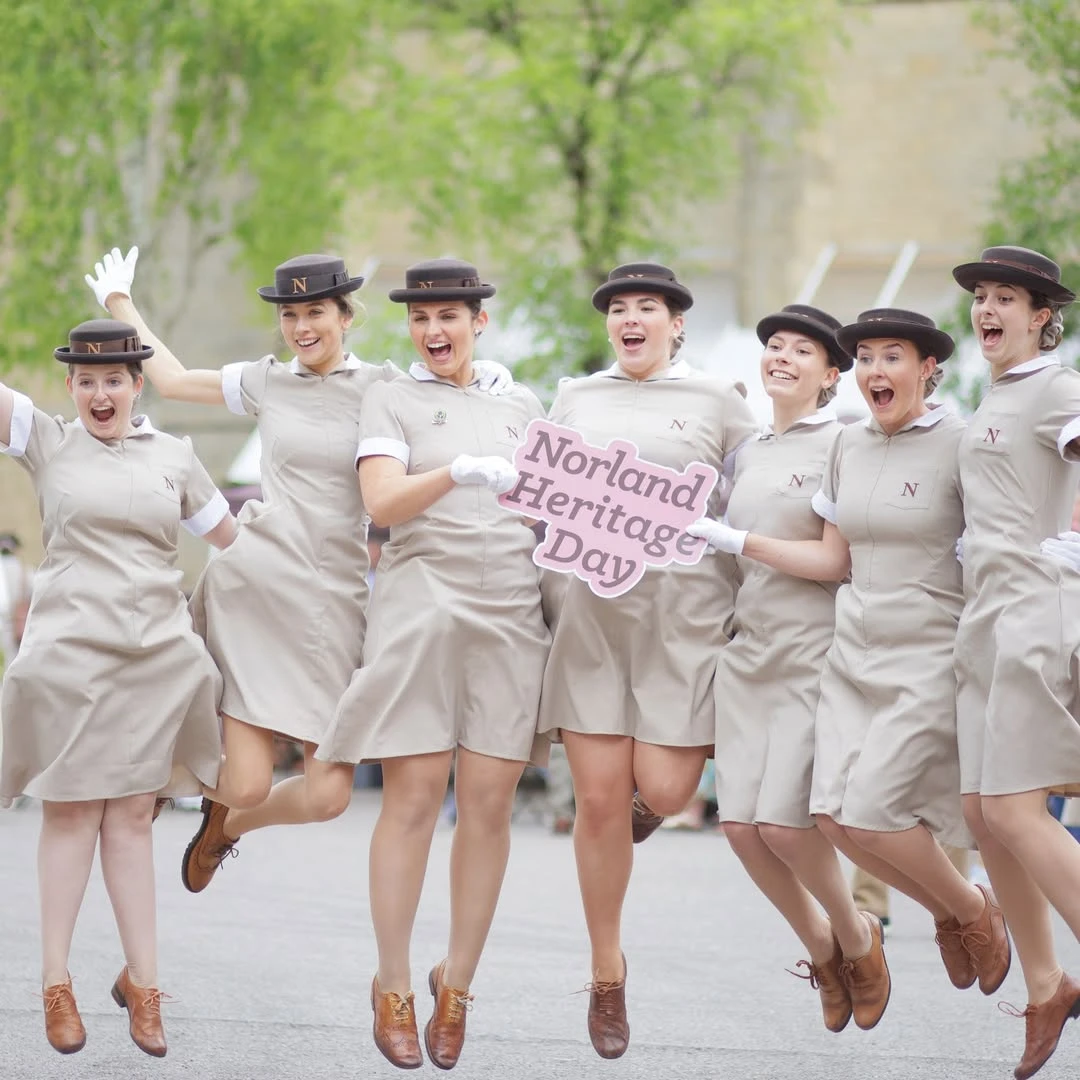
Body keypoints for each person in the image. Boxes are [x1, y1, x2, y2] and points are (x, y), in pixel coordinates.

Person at [85, 247, 513, 894]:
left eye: (316, 311)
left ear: (346, 315)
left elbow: (446, 403)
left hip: (334, 601)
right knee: (247, 781)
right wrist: (121, 302)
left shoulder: (388, 386)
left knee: (329, 794)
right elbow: (170, 382)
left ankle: (227, 829)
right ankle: (150, 794)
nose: (302, 326)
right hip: (255, 582)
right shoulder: (266, 380)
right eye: (290, 315)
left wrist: (488, 384)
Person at [690, 308, 1011, 1009]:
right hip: (795, 652)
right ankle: (850, 941)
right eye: (772, 346)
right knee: (777, 826)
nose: (875, 371)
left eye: (888, 357)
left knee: (825, 819)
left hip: (869, 647)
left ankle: (935, 916)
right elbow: (818, 556)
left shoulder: (906, 440)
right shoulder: (794, 448)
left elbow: (990, 527)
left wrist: (735, 540)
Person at [316, 259, 550, 1071]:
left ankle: (456, 985)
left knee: (486, 806)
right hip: (423, 605)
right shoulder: (392, 397)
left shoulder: (524, 404)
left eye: (449, 315)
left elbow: (560, 513)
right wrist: (454, 471)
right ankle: (392, 987)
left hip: (512, 613)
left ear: (479, 321)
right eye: (421, 319)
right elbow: (380, 503)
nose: (434, 330)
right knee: (413, 800)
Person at [537, 263, 757, 1059]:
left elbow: (752, 495)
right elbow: (542, 497)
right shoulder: (575, 397)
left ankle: (644, 814)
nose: (630, 319)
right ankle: (606, 974)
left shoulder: (719, 401)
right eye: (618, 309)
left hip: (683, 620)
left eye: (647, 308)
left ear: (677, 324)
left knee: (664, 787)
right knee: (597, 804)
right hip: (593, 621)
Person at [0, 319, 235, 1058]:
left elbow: (234, 544)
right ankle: (55, 983)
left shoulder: (176, 456)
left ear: (139, 384)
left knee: (131, 818)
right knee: (70, 815)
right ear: (70, 386)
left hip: (154, 658)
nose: (101, 393)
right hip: (70, 652)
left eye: (115, 379)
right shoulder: (47, 440)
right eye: (86, 380)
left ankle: (146, 984)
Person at [703, 304, 893, 1033]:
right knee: (742, 829)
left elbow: (833, 562)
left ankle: (856, 937)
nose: (780, 357)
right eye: (773, 346)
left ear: (831, 373)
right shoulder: (748, 449)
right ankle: (820, 948)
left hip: (811, 649)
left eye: (800, 351)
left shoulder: (844, 443)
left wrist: (738, 539)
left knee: (784, 827)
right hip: (748, 652)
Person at [951, 246, 1080, 1080]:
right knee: (981, 811)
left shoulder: (1059, 385)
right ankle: (1046, 986)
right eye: (982, 297)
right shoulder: (993, 393)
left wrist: (1075, 541)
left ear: (1042, 315)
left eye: (1008, 298)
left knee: (1018, 807)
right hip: (984, 616)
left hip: (1040, 605)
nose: (988, 309)